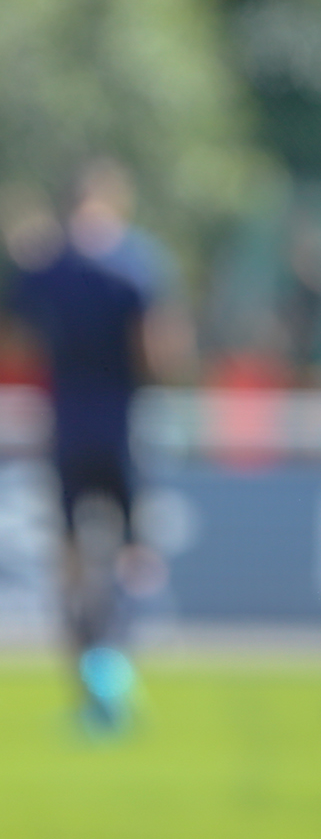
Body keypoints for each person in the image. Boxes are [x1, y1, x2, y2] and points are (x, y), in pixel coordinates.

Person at [1, 171, 174, 732]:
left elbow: (19, 340)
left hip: (67, 431)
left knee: (71, 563)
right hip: (121, 430)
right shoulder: (135, 265)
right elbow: (154, 352)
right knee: (133, 554)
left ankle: (87, 686)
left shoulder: (47, 267)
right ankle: (117, 669)